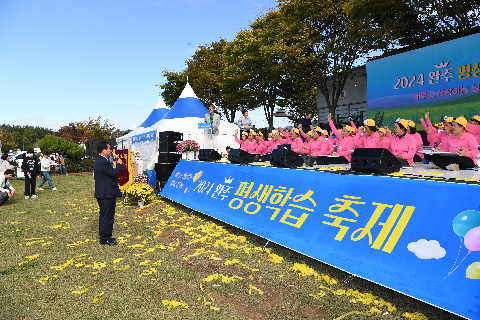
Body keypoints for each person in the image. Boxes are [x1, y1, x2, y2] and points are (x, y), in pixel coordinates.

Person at [94, 140, 124, 245]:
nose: (111, 151)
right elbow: (114, 173)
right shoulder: (102, 161)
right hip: (105, 194)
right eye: (109, 148)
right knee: (106, 216)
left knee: (108, 215)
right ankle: (104, 238)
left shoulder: (102, 160)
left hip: (106, 193)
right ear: (104, 150)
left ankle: (107, 236)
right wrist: (119, 164)